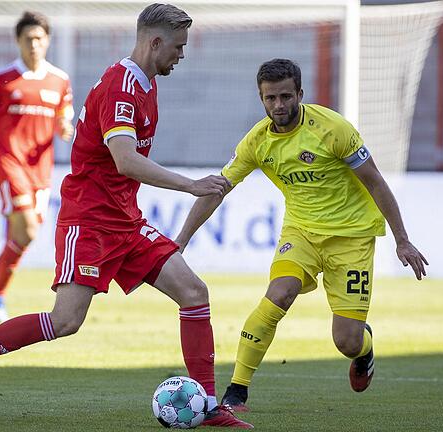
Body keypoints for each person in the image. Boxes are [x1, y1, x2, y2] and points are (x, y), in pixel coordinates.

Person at [0, 3, 252, 428]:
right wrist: (190, 184)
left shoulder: (145, 84)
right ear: (154, 42)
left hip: (124, 219)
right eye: (178, 46)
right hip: (91, 220)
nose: (182, 55)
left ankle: (207, 406)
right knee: (65, 321)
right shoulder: (121, 88)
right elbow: (125, 161)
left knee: (194, 293)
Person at [174, 59, 429, 411]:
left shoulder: (332, 128)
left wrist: (402, 239)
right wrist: (181, 241)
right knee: (279, 294)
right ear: (261, 99)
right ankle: (237, 389)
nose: (279, 106)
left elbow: (375, 181)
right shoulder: (257, 142)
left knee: (346, 341)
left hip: (352, 238)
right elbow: (219, 189)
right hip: (302, 233)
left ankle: (365, 348)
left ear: (300, 94)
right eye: (270, 99)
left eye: (285, 96)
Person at [0, 11, 74, 323]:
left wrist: (64, 127)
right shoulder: (1, 79)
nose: (34, 45)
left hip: (41, 169)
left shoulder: (60, 80)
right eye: (28, 39)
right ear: (18, 41)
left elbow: (64, 116)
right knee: (26, 231)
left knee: (19, 238)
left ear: (48, 40)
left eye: (40, 38)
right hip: (10, 165)